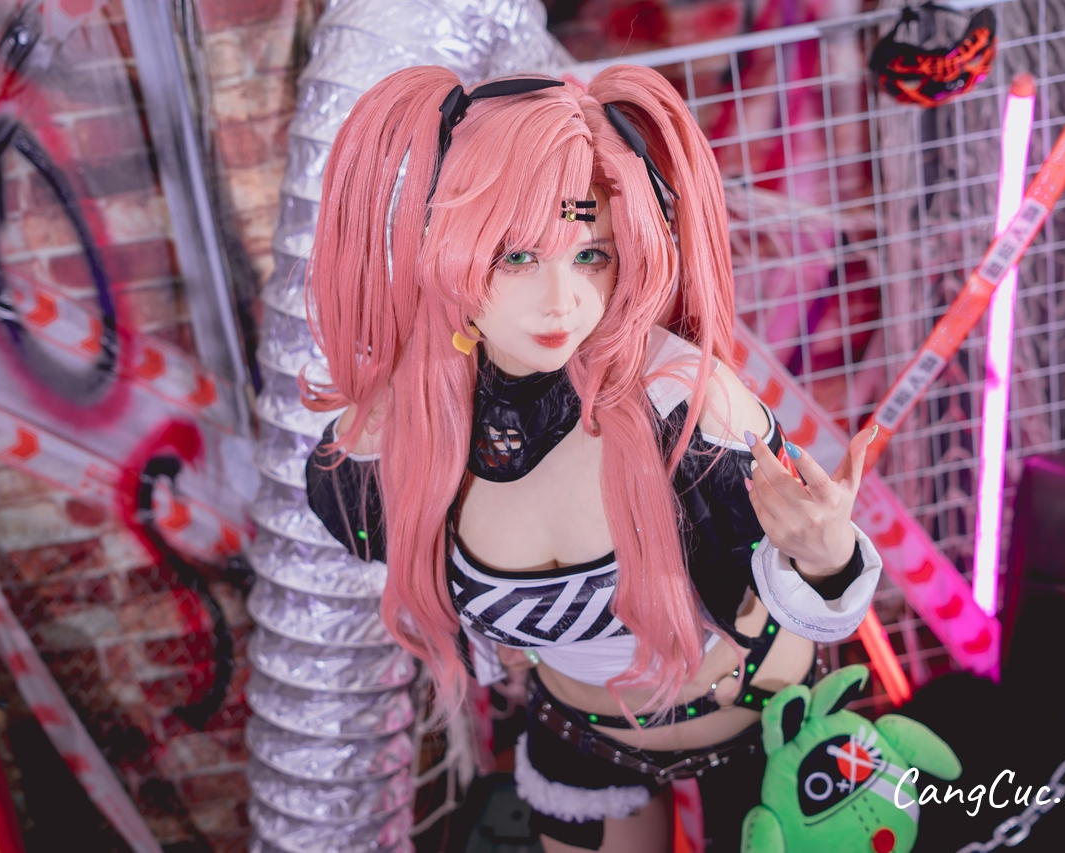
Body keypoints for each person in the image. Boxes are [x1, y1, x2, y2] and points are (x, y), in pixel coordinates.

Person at [303, 64, 882, 853]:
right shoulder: (411, 431)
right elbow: (365, 524)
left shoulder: (684, 400)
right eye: (516, 256)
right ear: (445, 248)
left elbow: (815, 591)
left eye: (591, 254)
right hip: (584, 740)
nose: (562, 301)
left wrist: (829, 554)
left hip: (765, 731)